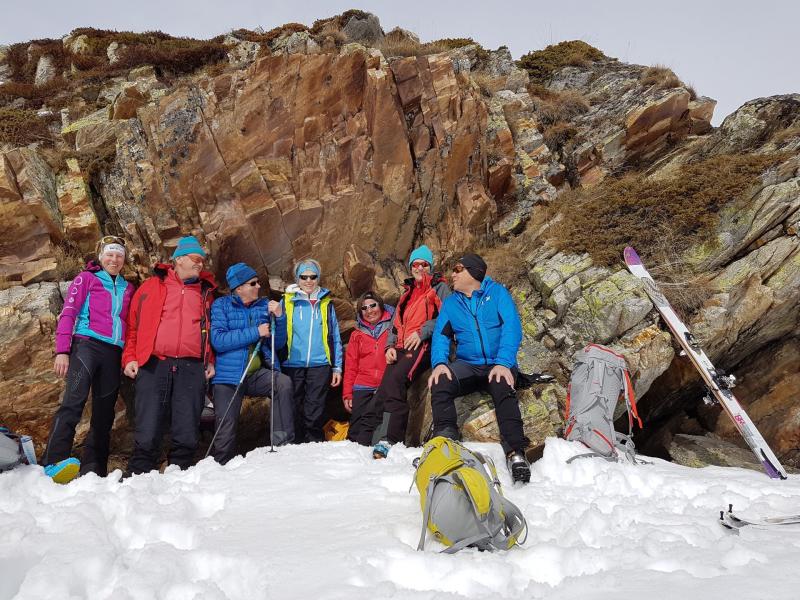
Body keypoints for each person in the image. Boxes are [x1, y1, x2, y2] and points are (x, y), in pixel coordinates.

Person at [428, 253, 532, 483]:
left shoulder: (497, 294)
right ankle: (445, 440)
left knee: (502, 386)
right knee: (440, 381)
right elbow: (441, 337)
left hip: (498, 363)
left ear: (473, 272)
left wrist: (503, 363)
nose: (453, 274)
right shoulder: (451, 304)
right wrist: (440, 364)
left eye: (458, 269)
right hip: (468, 365)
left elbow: (512, 328)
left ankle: (515, 453)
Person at [123, 236, 217, 474]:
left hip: (192, 365)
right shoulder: (151, 287)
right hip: (154, 362)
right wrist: (130, 357)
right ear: (179, 259)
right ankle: (139, 475)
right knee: (148, 422)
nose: (200, 264)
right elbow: (133, 326)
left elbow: (211, 329)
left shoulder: (205, 292)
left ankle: (180, 471)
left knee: (187, 425)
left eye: (202, 260)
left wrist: (210, 361)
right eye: (195, 259)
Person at [43, 235, 134, 477]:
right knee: (73, 403)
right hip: (87, 347)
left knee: (104, 414)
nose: (114, 259)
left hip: (113, 353)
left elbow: (130, 324)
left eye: (119, 255)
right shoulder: (86, 278)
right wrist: (62, 351)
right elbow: (68, 312)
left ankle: (94, 469)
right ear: (101, 256)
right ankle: (53, 462)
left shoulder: (128, 288)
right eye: (109, 254)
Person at [209, 263, 294, 464]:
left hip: (256, 374)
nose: (258, 286)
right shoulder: (221, 306)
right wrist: (255, 332)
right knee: (226, 426)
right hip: (228, 377)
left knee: (282, 383)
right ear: (239, 288)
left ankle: (282, 446)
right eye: (253, 283)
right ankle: (220, 463)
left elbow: (278, 343)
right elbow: (219, 341)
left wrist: (280, 318)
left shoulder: (263, 306)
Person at [371, 245, 450, 458]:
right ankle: (372, 438)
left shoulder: (439, 287)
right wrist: (389, 347)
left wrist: (423, 332)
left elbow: (447, 316)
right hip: (401, 346)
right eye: (415, 264)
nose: (419, 268)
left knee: (397, 380)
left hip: (422, 345)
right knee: (384, 388)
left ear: (430, 266)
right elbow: (395, 324)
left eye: (424, 264)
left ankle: (391, 439)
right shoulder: (407, 292)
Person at [280, 259, 343, 443]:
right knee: (293, 405)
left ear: (318, 278)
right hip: (292, 363)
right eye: (304, 277)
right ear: (297, 278)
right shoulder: (287, 301)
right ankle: (295, 443)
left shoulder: (326, 303)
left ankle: (313, 444)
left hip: (320, 363)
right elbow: (278, 331)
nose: (308, 281)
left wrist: (337, 367)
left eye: (313, 277)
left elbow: (335, 337)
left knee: (315, 407)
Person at [342, 291, 395, 446]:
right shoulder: (356, 334)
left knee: (378, 423)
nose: (369, 311)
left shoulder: (394, 328)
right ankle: (352, 455)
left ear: (381, 306)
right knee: (356, 426)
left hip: (385, 383)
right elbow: (351, 366)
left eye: (373, 305)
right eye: (364, 308)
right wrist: (347, 394)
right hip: (362, 385)